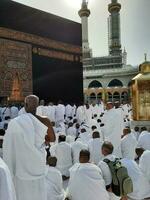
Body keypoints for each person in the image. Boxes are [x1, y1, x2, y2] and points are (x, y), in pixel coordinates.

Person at [3, 95, 55, 200]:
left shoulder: (15, 122)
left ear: (25, 105)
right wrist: (42, 139)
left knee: (23, 192)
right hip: (38, 164)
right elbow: (52, 138)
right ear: (38, 105)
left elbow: (9, 145)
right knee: (38, 190)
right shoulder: (45, 121)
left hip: (21, 166)